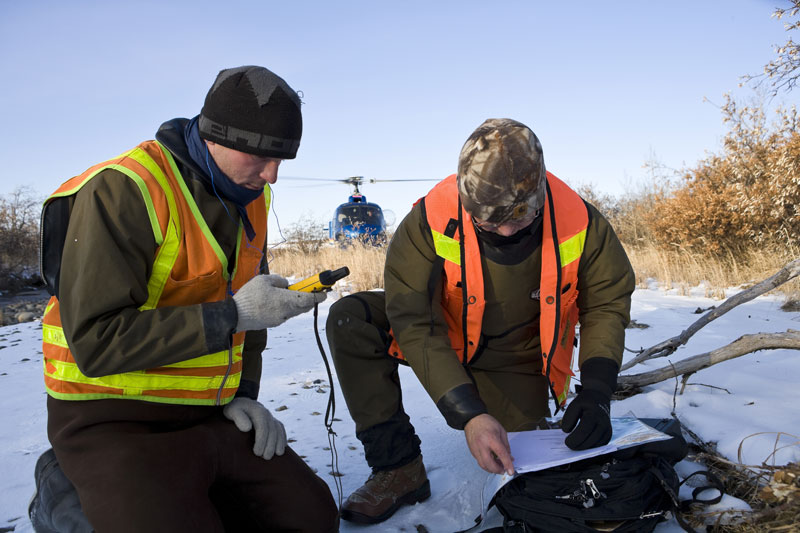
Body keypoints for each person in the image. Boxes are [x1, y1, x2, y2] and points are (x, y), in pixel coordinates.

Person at [30, 65, 339, 533]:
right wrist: (233, 314)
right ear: (215, 135)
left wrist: (242, 398)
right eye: (260, 156)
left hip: (208, 414)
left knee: (311, 519)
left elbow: (250, 310)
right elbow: (95, 342)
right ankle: (61, 487)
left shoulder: (250, 195)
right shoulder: (125, 190)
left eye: (283, 159)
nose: (272, 175)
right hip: (111, 422)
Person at [326, 118, 636, 524]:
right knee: (351, 317)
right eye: (490, 222)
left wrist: (597, 391)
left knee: (532, 472)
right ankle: (397, 468)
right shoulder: (429, 219)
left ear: (540, 192)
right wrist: (469, 414)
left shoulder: (581, 221)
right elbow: (412, 319)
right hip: (442, 342)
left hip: (516, 360)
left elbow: (607, 304)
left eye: (520, 219)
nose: (506, 230)